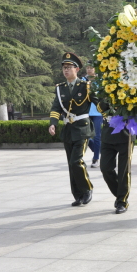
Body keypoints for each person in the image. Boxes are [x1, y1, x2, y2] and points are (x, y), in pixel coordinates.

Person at [48, 52, 100, 206]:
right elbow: (56, 107)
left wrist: (111, 114)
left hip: (82, 128)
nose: (66, 70)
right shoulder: (60, 88)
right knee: (71, 164)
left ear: (77, 69)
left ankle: (87, 189)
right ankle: (78, 195)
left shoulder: (86, 86)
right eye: (64, 67)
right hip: (68, 129)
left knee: (76, 161)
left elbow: (98, 103)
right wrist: (53, 123)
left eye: (69, 67)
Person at [98, 104, 133, 214]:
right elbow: (99, 108)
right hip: (108, 134)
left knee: (124, 171)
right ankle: (119, 194)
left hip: (125, 134)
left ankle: (122, 201)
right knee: (105, 168)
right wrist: (108, 100)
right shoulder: (105, 94)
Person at [84, 62, 102, 168]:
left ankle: (95, 158)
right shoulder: (82, 81)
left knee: (96, 136)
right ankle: (98, 150)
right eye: (87, 68)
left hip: (97, 112)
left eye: (91, 68)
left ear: (95, 69)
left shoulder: (100, 81)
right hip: (85, 112)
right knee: (85, 135)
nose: (89, 69)